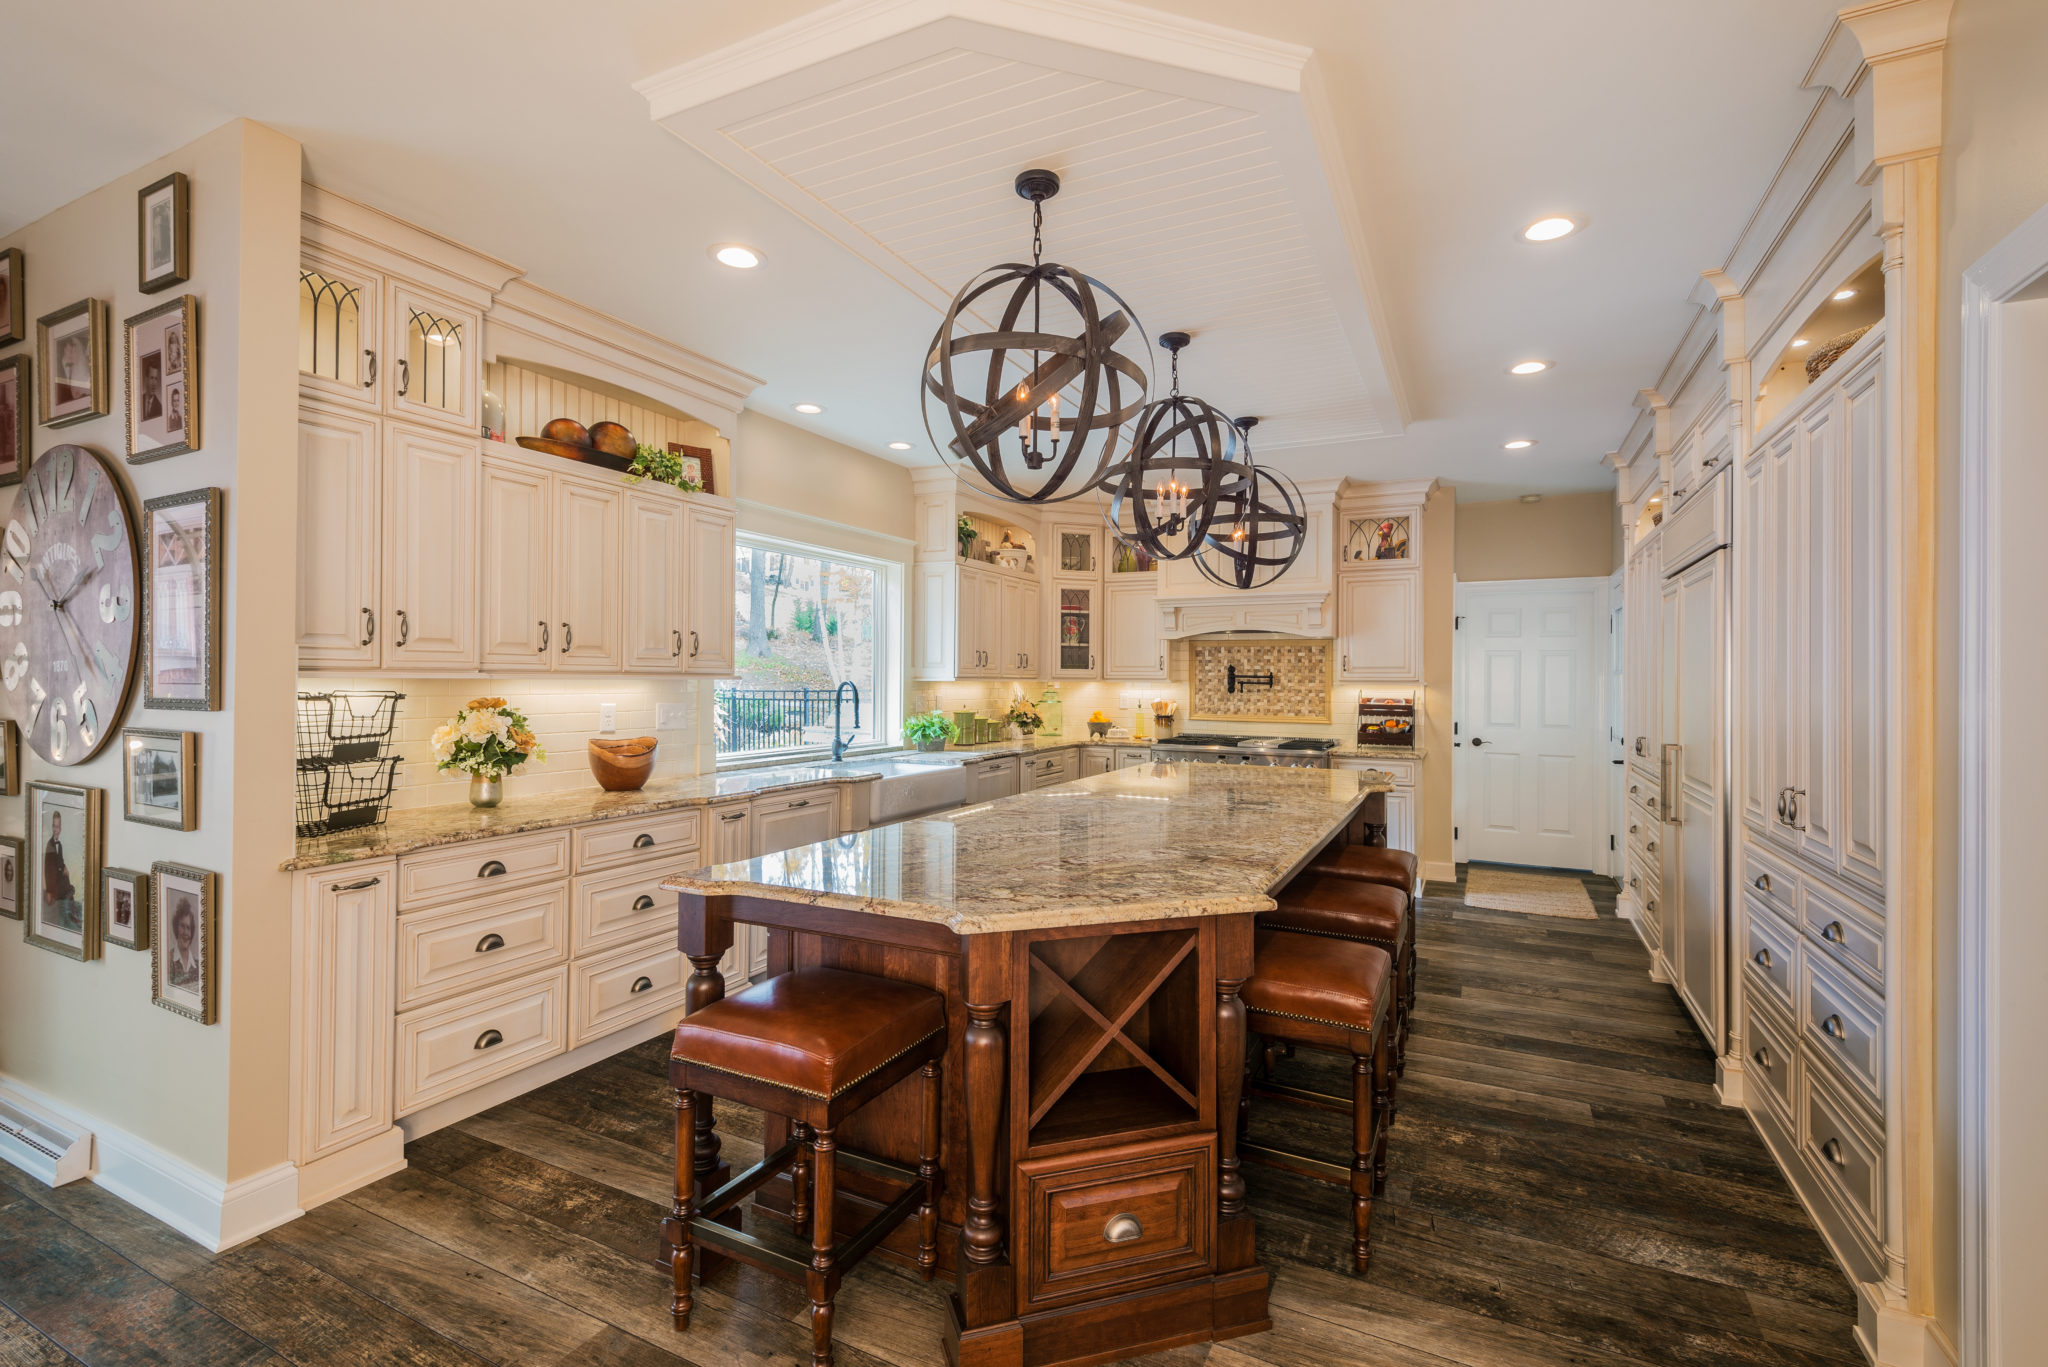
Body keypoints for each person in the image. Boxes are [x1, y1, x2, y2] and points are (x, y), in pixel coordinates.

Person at [42, 810, 78, 933]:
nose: (56, 829)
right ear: (52, 827)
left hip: (60, 879)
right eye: (54, 826)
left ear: (60, 828)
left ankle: (72, 916)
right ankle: (69, 918)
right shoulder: (50, 845)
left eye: (58, 827)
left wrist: (64, 867)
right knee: (68, 892)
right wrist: (50, 891)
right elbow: (48, 871)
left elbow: (60, 861)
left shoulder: (59, 845)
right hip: (55, 884)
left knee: (70, 890)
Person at [167, 894, 201, 989]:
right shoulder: (167, 960)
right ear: (176, 928)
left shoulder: (199, 966)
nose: (186, 933)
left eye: (188, 928)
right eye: (182, 926)